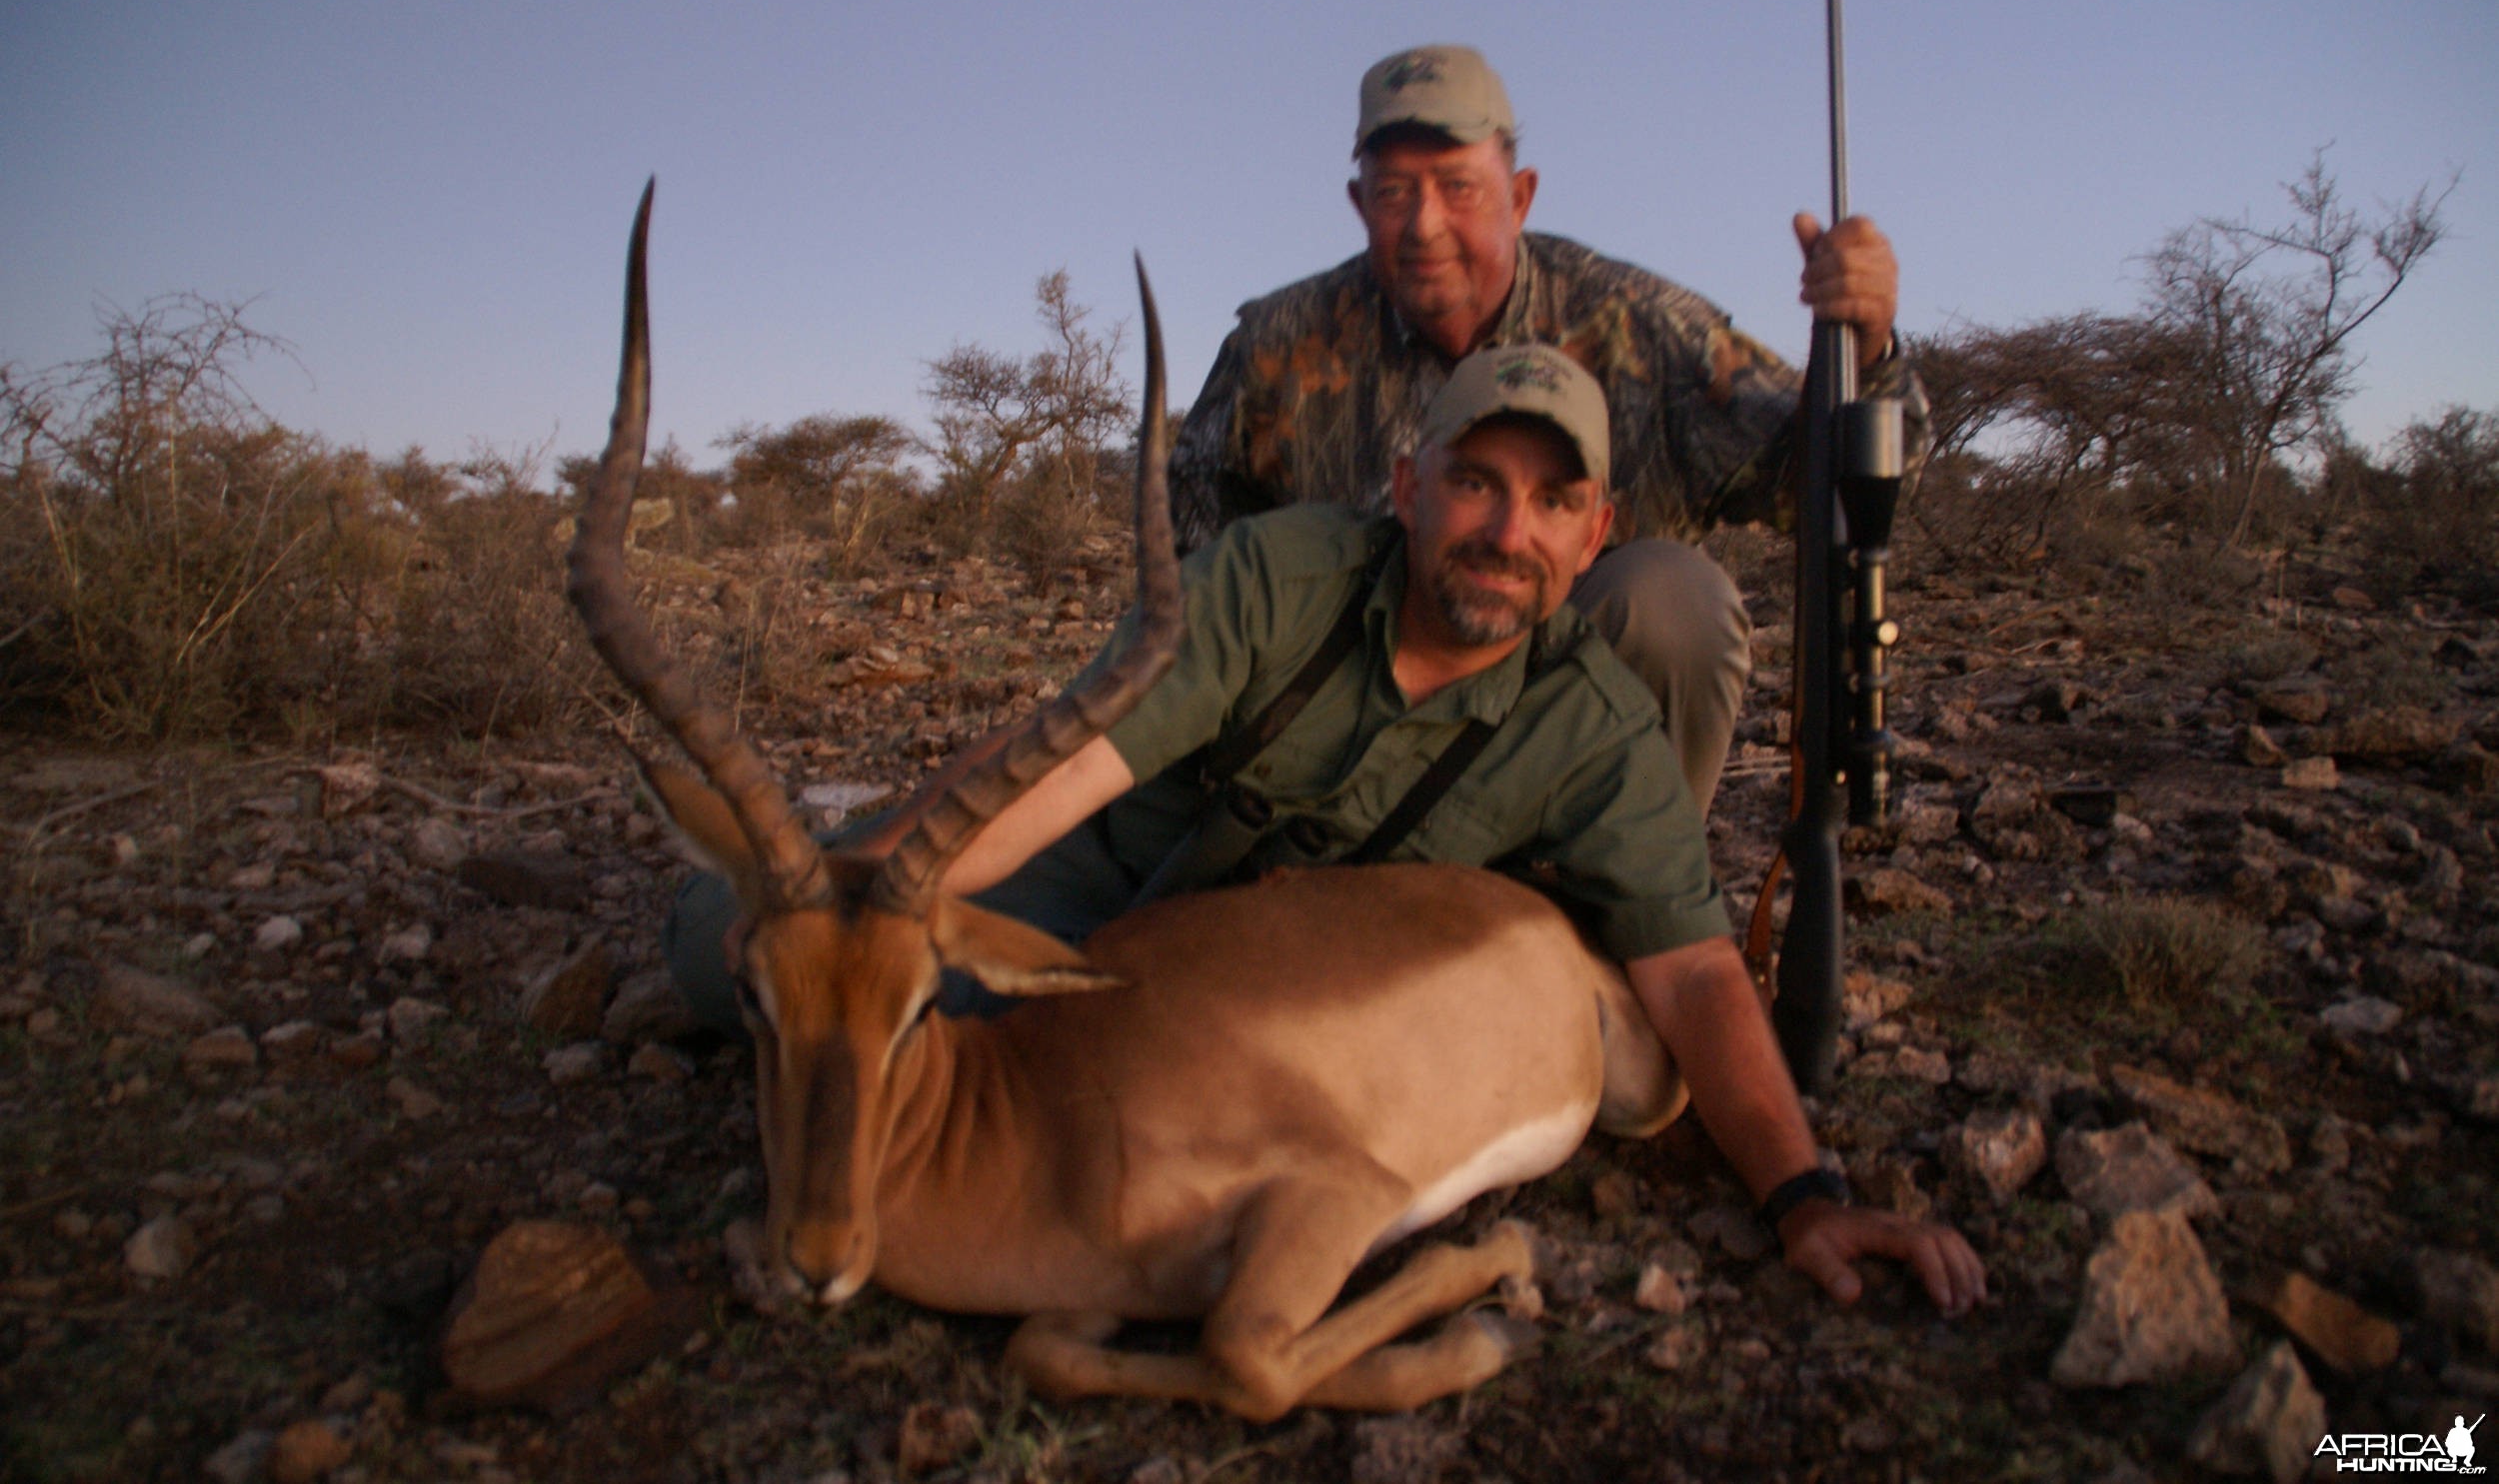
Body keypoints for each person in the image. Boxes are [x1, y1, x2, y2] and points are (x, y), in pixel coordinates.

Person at [665, 343, 1985, 1317]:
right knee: (720, 945)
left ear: (1595, 535)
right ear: (1408, 485)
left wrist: (1803, 1192)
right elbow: (1058, 777)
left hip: (1286, 962)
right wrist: (862, 910)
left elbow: (1695, 967)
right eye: (1474, 483)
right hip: (1128, 869)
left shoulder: (1593, 724)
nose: (1504, 529)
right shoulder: (1276, 579)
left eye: (1547, 502)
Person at [1169, 43, 1926, 811]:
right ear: (1360, 206)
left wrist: (1866, 352)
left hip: (1556, 728)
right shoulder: (1274, 345)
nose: (1424, 224)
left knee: (1675, 603)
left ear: (1521, 196)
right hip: (1340, 743)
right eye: (1394, 192)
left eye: (1458, 186)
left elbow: (1825, 491)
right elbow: (1187, 576)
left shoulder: (1642, 325)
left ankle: (1622, 903)